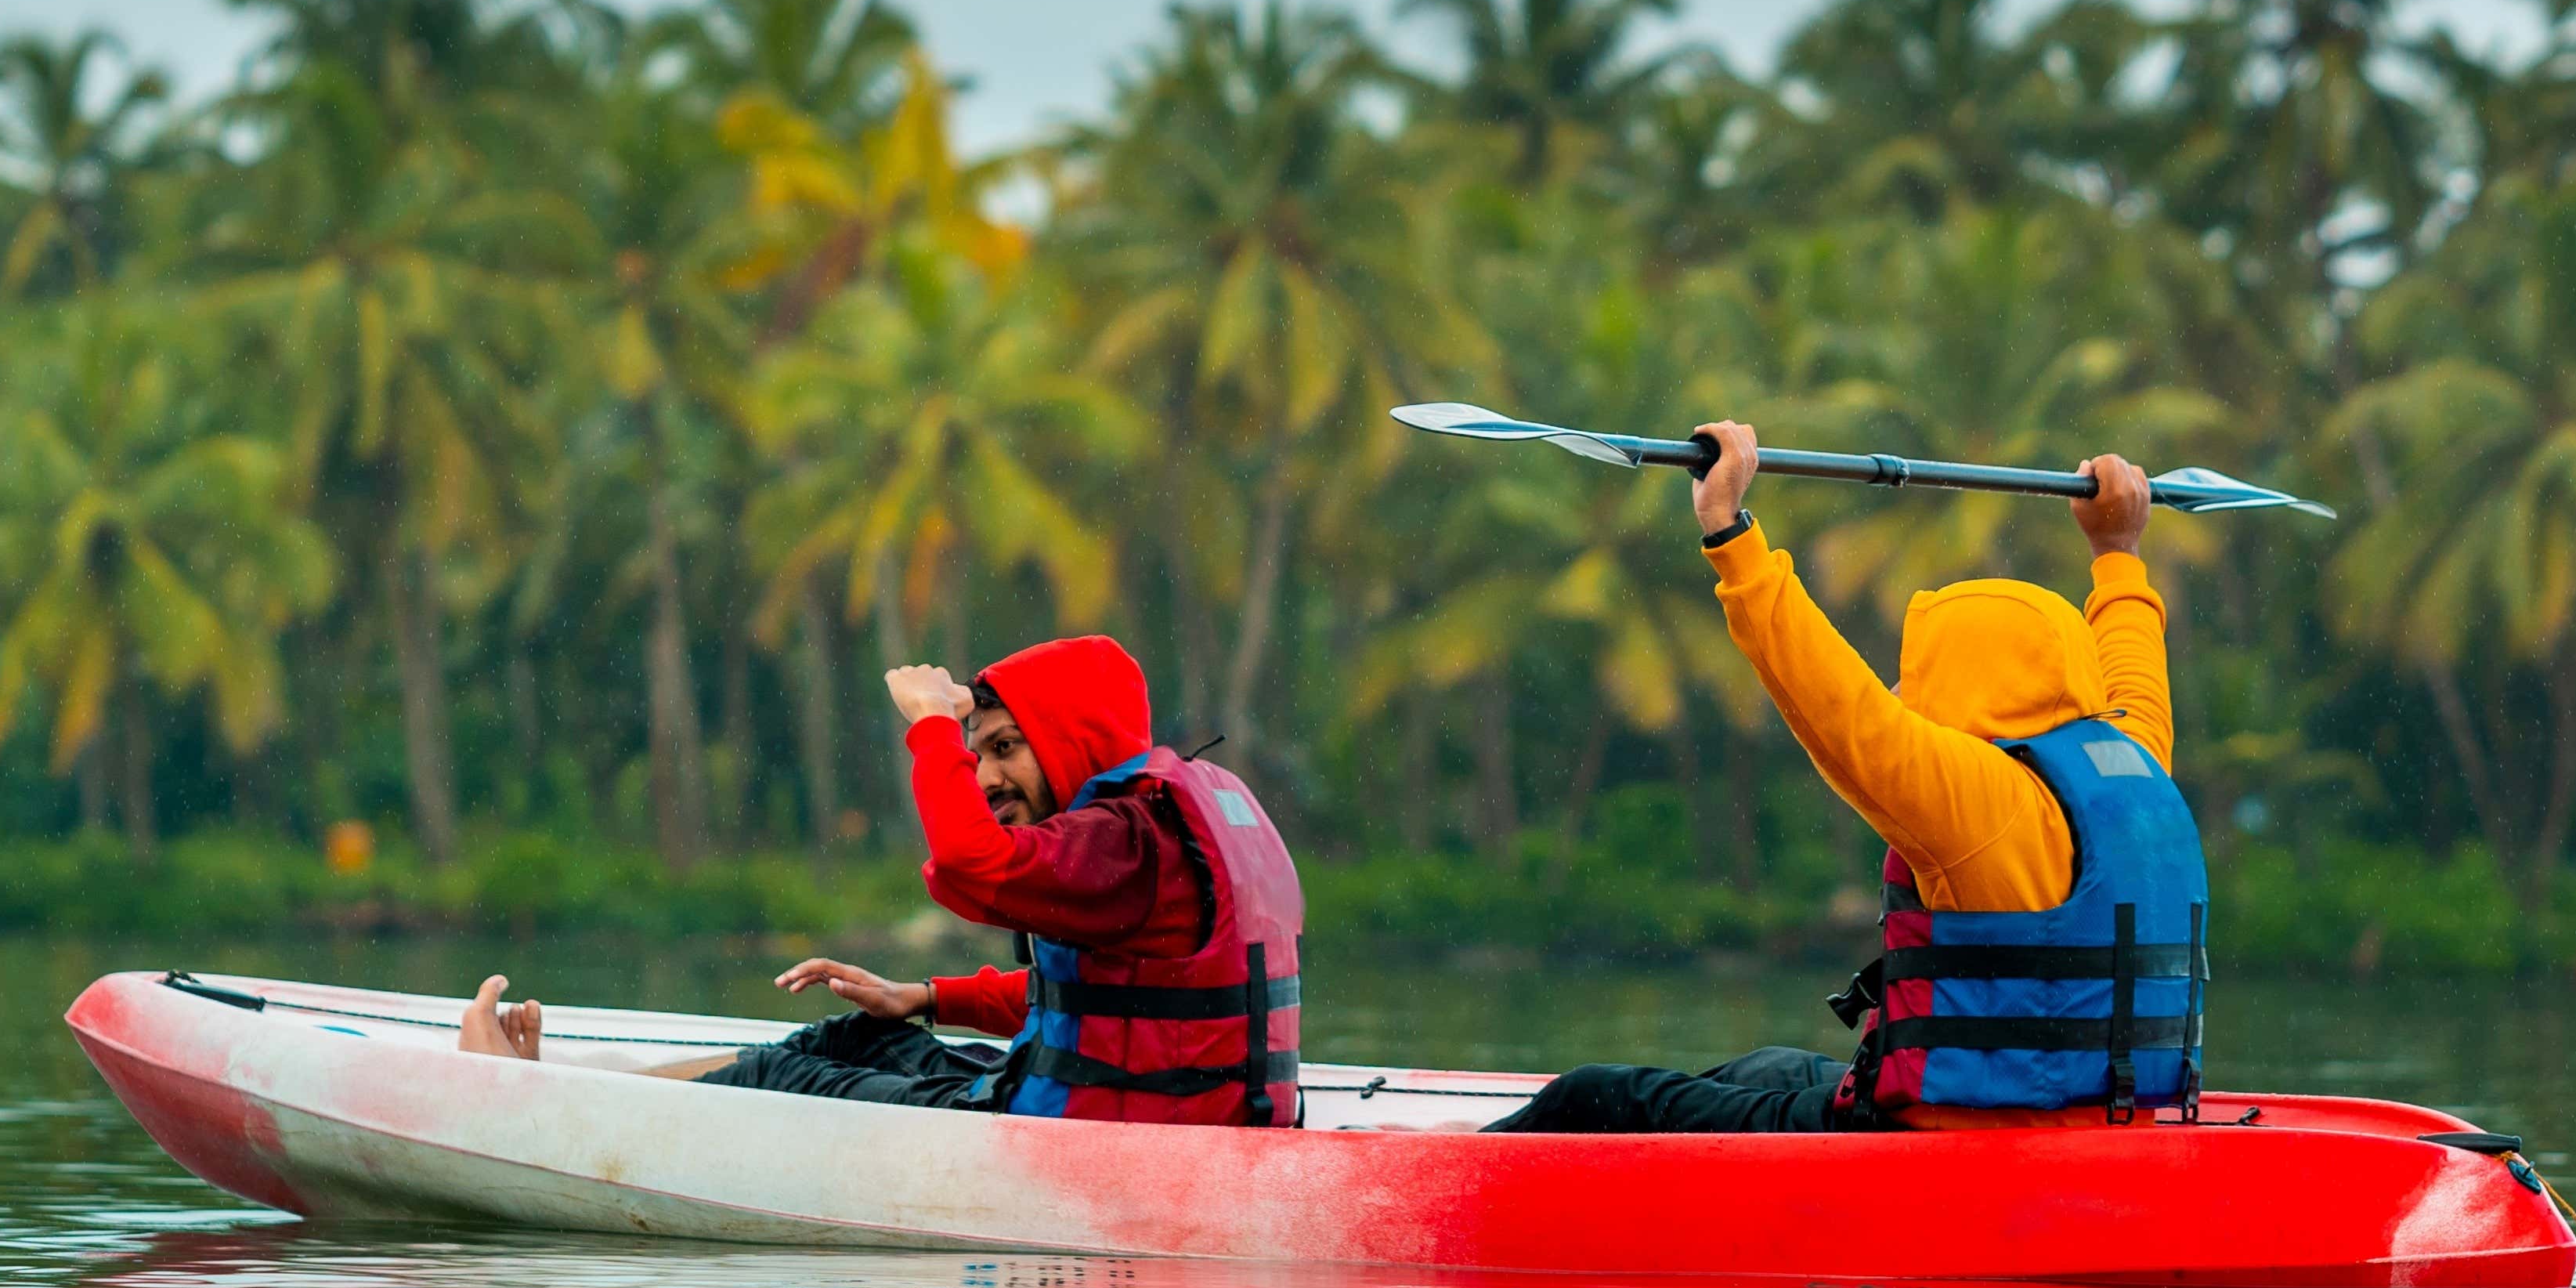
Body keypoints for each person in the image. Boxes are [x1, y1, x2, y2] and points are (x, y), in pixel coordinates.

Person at [1484, 420, 2202, 1134]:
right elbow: (2135, 661)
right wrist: (2118, 552)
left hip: (1952, 1143)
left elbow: (1837, 705)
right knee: (1770, 1069)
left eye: (1917, 674)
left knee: (1592, 1097)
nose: (1898, 691)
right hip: (2089, 1114)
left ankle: (1432, 1193)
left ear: (1967, 682)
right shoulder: (2131, 760)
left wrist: (1729, 532)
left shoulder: (1978, 798)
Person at [457, 634, 1307, 1127]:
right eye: (976, 753)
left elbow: (970, 866)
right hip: (1138, 1111)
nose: (983, 776)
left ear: (1076, 741)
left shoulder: (1117, 838)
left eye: (1005, 748)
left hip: (1088, 1136)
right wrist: (926, 997)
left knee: (779, 1078)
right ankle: (574, 1090)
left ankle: (539, 1113)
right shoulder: (1141, 833)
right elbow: (1113, 1002)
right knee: (849, 1040)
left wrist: (934, 729)